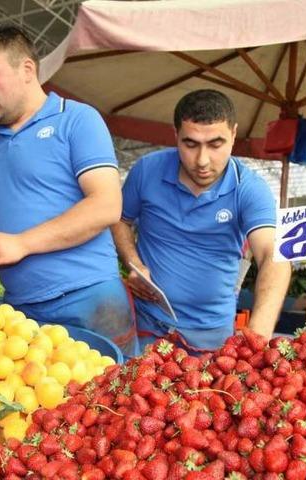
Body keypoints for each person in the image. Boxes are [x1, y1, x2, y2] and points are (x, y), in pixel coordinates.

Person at [0, 25, 137, 355]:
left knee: (111, 401)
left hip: (89, 302)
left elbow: (106, 206)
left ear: (27, 69)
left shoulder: (78, 120)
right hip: (19, 312)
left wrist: (21, 243)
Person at [111, 89, 291, 351]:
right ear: (176, 136)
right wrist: (133, 263)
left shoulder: (249, 188)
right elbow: (120, 220)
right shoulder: (146, 171)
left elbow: (273, 256)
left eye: (216, 144)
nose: (202, 161)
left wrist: (257, 341)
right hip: (146, 322)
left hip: (211, 336)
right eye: (190, 144)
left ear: (233, 135)